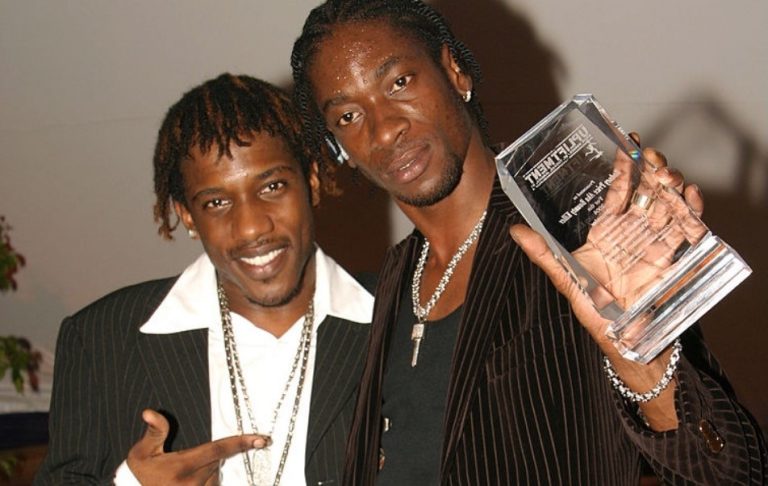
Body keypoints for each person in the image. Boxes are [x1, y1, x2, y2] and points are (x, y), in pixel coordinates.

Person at [290, 0, 768, 484]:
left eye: (399, 82)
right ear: (338, 148)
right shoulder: (396, 276)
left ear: (454, 71)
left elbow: (731, 475)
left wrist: (641, 352)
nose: (383, 129)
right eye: (348, 116)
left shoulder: (575, 230)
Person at [35, 73, 374, 485]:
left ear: (312, 183)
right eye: (216, 203)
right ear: (188, 217)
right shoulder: (100, 338)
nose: (251, 227)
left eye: (272, 187)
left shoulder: (402, 321)